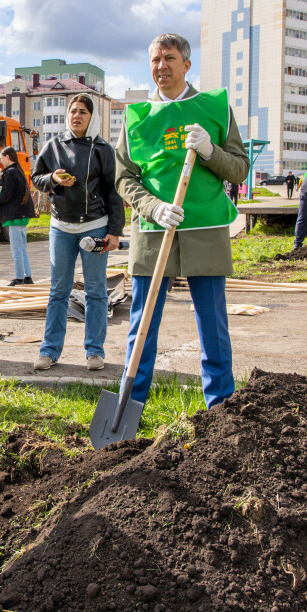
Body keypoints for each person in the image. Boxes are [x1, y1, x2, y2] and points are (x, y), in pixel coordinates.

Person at [115, 33, 250, 409]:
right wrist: (151, 206)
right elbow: (124, 177)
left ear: (187, 64)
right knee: (142, 324)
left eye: (170, 58)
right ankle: (130, 406)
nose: (162, 66)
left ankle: (220, 407)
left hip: (205, 226)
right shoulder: (137, 116)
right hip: (154, 228)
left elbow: (239, 169)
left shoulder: (214, 106)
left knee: (213, 325)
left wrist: (210, 151)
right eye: (156, 60)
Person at [32, 94, 125, 371]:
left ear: (91, 116)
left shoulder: (102, 149)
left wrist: (115, 231)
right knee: (58, 290)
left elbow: (113, 192)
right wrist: (53, 179)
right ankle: (49, 351)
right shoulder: (54, 145)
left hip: (95, 226)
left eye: (83, 111)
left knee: (96, 291)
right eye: (72, 111)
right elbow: (37, 178)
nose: (77, 116)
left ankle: (95, 351)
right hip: (61, 227)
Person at [0, 146, 36, 286]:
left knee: (16, 249)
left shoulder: (11, 173)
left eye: (1, 158)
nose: (0, 161)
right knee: (22, 248)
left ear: (8, 157)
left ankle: (19, 278)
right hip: (22, 215)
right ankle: (27, 276)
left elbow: (6, 195)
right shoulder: (18, 171)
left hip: (14, 215)